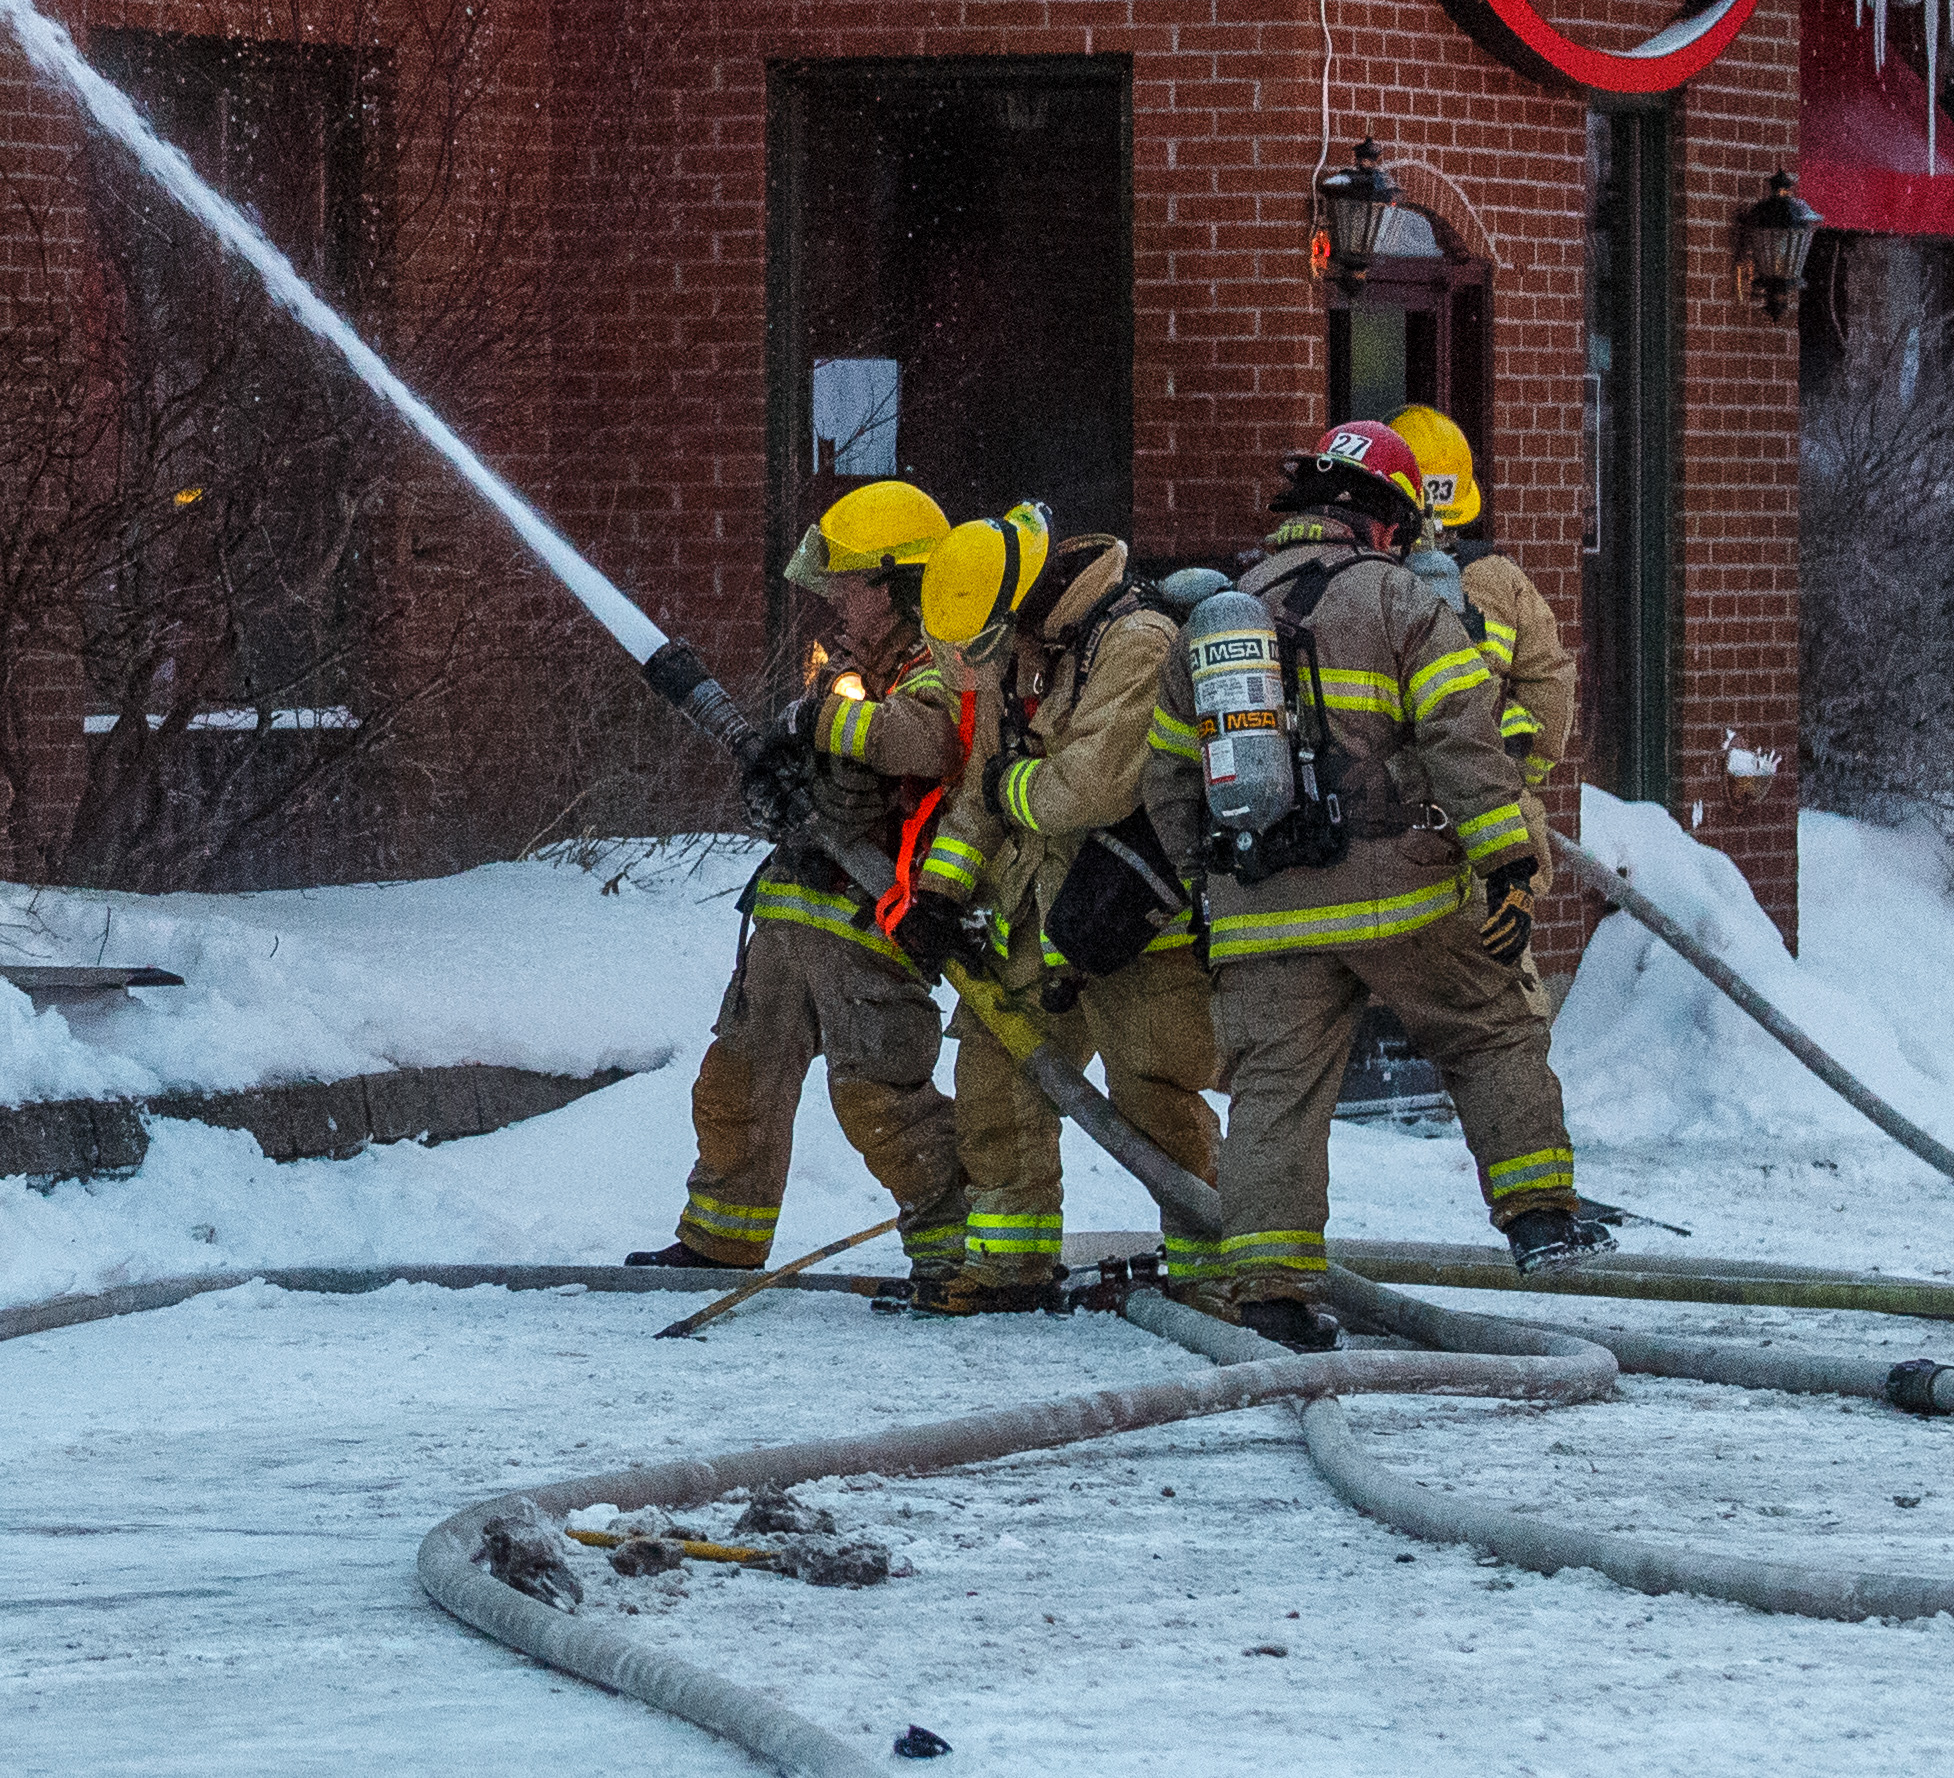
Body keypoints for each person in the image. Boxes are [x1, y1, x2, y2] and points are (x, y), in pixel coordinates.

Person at [1138, 420, 1615, 1355]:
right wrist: (1506, 859)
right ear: (1388, 522)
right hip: (1403, 895)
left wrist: (1213, 887)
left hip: (1261, 899)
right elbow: (1463, 738)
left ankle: (1272, 1296)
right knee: (1487, 1028)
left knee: (1275, 1093)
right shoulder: (1400, 601)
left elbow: (1164, 778)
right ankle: (1538, 1216)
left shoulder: (1219, 618)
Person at [624, 481, 983, 1305]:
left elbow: (923, 741)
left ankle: (956, 1253)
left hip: (872, 916)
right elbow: (818, 764)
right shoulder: (852, 670)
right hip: (794, 906)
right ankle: (721, 1237)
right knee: (738, 1075)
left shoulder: (942, 663)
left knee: (877, 1092)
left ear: (900, 585)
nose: (838, 604)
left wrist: (814, 727)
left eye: (851, 585)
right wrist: (777, 782)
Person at [935, 525, 1221, 1301]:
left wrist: (1006, 787)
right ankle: (1008, 1265)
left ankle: (1215, 1268)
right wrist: (940, 890)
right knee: (995, 1085)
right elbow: (981, 785)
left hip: (1130, 920)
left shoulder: (1138, 643)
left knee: (1153, 1094)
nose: (990, 660)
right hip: (1033, 913)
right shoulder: (1027, 650)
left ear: (1024, 600)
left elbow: (1087, 787)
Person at [1390, 403, 1577, 1020]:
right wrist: (1516, 776)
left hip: (1383, 828)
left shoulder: (1361, 583)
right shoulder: (1500, 581)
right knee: (1506, 1015)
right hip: (1490, 829)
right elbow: (1549, 692)